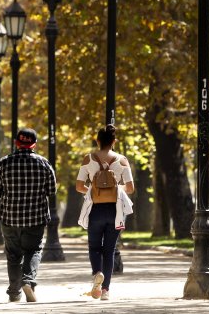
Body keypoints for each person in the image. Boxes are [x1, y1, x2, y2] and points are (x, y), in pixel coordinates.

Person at [0, 128, 57, 303]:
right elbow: (51, 191)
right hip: (36, 217)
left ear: (16, 143)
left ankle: (14, 292)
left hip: (10, 217)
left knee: (13, 255)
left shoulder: (3, 163)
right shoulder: (44, 163)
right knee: (33, 250)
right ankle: (28, 280)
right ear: (34, 144)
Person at [76, 124, 134, 301]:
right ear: (114, 141)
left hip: (95, 209)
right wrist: (116, 188)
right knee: (109, 250)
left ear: (98, 140)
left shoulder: (88, 159)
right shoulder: (122, 160)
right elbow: (130, 188)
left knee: (94, 247)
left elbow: (79, 186)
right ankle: (106, 291)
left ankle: (97, 273)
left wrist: (93, 190)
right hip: (115, 210)